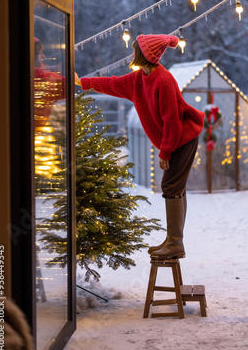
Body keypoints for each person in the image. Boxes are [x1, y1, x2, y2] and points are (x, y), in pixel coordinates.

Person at [75, 34, 205, 259]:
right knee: (175, 187)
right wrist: (82, 83)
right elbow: (113, 83)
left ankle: (175, 243)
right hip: (173, 138)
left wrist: (165, 152)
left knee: (171, 186)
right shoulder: (138, 79)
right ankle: (173, 240)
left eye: (135, 49)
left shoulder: (164, 81)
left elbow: (172, 121)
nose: (132, 52)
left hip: (183, 137)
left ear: (145, 55)